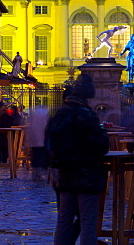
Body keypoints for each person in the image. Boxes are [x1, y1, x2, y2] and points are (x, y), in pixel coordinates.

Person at [45, 74, 109, 245]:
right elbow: (101, 145)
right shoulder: (86, 115)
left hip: (64, 175)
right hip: (86, 175)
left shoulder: (59, 114)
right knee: (88, 222)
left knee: (64, 221)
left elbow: (50, 143)